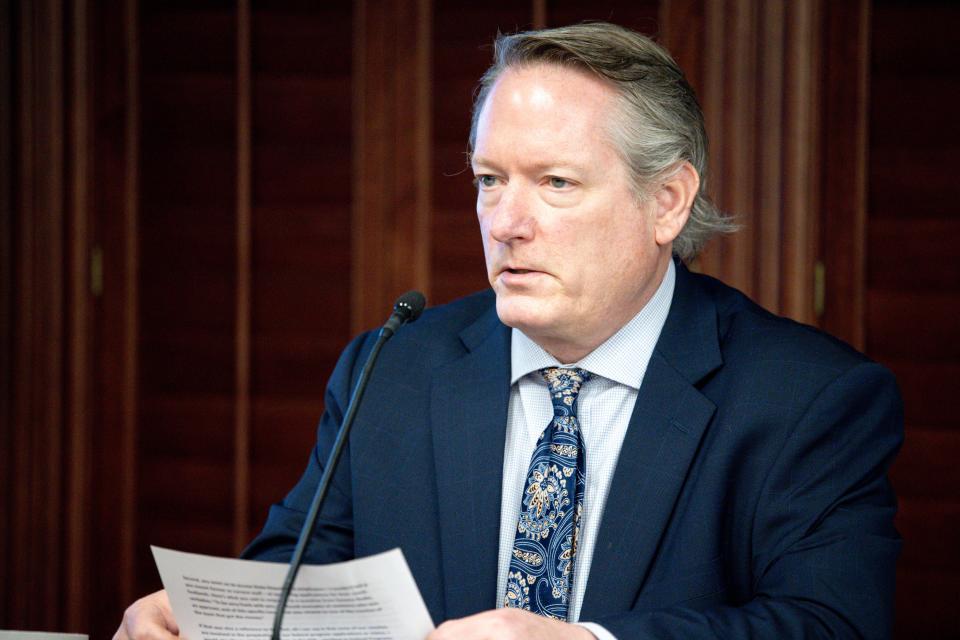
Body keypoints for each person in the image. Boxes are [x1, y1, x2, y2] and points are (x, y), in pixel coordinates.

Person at [115, 22, 902, 640]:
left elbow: (829, 624)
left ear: (667, 201)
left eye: (556, 183)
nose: (506, 223)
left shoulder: (810, 399)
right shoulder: (393, 369)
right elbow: (299, 575)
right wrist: (209, 624)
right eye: (491, 181)